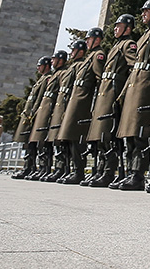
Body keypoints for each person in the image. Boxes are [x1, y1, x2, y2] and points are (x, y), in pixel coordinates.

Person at [113, 0, 150, 191]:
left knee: (140, 133)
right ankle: (132, 172)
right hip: (135, 85)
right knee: (130, 133)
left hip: (147, 86)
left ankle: (138, 175)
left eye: (146, 11)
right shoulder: (144, 36)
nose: (143, 14)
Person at [88, 14, 137, 188]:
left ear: (128, 28)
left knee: (108, 136)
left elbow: (134, 69)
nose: (115, 28)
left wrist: (123, 94)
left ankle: (109, 172)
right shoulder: (115, 46)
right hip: (105, 93)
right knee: (102, 136)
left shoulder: (127, 45)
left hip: (115, 93)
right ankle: (103, 171)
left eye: (119, 26)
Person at [59, 27, 105, 184]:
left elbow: (100, 80)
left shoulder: (98, 56)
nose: (87, 42)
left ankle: (80, 172)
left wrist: (95, 104)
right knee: (71, 139)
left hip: (84, 104)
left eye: (89, 39)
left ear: (96, 40)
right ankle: (74, 170)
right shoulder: (88, 58)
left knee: (78, 141)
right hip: (76, 103)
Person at [47, 40, 86, 182]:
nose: (71, 52)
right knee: (62, 142)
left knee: (73, 141)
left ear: (80, 51)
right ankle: (62, 169)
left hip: (72, 106)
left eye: (73, 50)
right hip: (63, 106)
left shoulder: (80, 65)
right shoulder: (70, 68)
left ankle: (74, 170)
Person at [11, 57, 53, 180]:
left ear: (46, 65)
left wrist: (34, 113)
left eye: (40, 65)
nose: (38, 68)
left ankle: (38, 168)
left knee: (38, 144)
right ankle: (29, 167)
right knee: (29, 144)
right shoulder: (41, 79)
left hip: (37, 115)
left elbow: (40, 98)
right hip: (30, 114)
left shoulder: (47, 78)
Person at [27, 51, 67, 180]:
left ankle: (53, 168)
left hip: (52, 111)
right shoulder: (49, 77)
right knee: (40, 143)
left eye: (54, 59)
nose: (38, 68)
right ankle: (40, 168)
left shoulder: (55, 75)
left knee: (50, 143)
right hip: (43, 111)